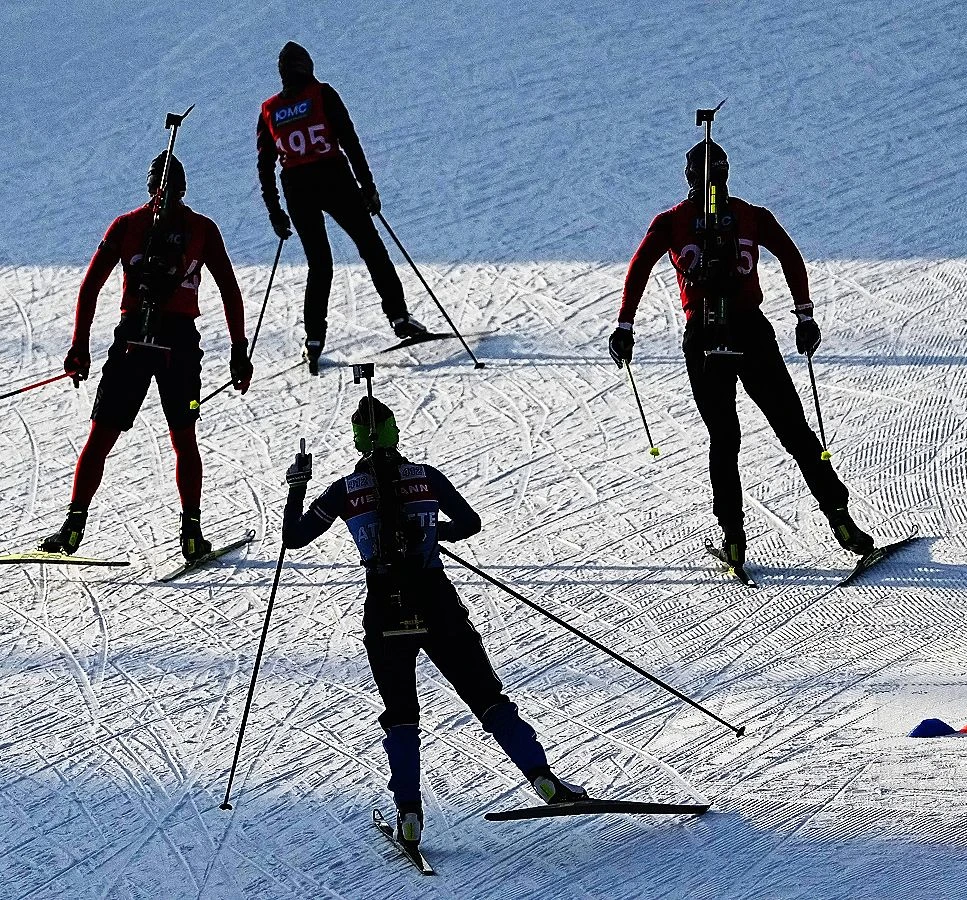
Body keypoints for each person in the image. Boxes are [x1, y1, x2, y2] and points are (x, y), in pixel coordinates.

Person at [281, 396, 583, 850]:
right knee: (486, 697)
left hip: (385, 607)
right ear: (396, 433)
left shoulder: (345, 490)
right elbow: (470, 523)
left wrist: (298, 484)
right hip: (436, 599)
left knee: (401, 714)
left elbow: (293, 539)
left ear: (358, 440)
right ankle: (543, 778)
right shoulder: (426, 476)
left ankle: (409, 816)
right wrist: (432, 533)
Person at [606, 138, 873, 569]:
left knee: (724, 440)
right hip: (752, 331)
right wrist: (804, 315)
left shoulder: (671, 221)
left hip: (704, 338)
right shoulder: (751, 215)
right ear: (727, 172)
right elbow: (790, 256)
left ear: (688, 176)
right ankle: (842, 521)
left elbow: (638, 267)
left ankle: (733, 539)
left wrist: (625, 325)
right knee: (794, 431)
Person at [38, 152, 253, 562]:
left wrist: (79, 346)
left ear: (150, 187)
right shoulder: (202, 229)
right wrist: (238, 351)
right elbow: (229, 290)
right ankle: (192, 533)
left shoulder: (127, 225)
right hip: (180, 345)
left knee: (101, 437)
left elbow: (90, 287)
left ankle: (73, 526)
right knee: (184, 440)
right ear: (184, 187)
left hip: (132, 341)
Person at [256, 41, 429, 375]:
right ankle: (399, 317)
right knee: (371, 247)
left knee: (319, 265)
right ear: (308, 66)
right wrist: (368, 186)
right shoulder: (322, 94)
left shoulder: (269, 109)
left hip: (296, 188)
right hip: (333, 178)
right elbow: (349, 139)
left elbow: (265, 165)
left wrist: (274, 210)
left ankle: (314, 340)